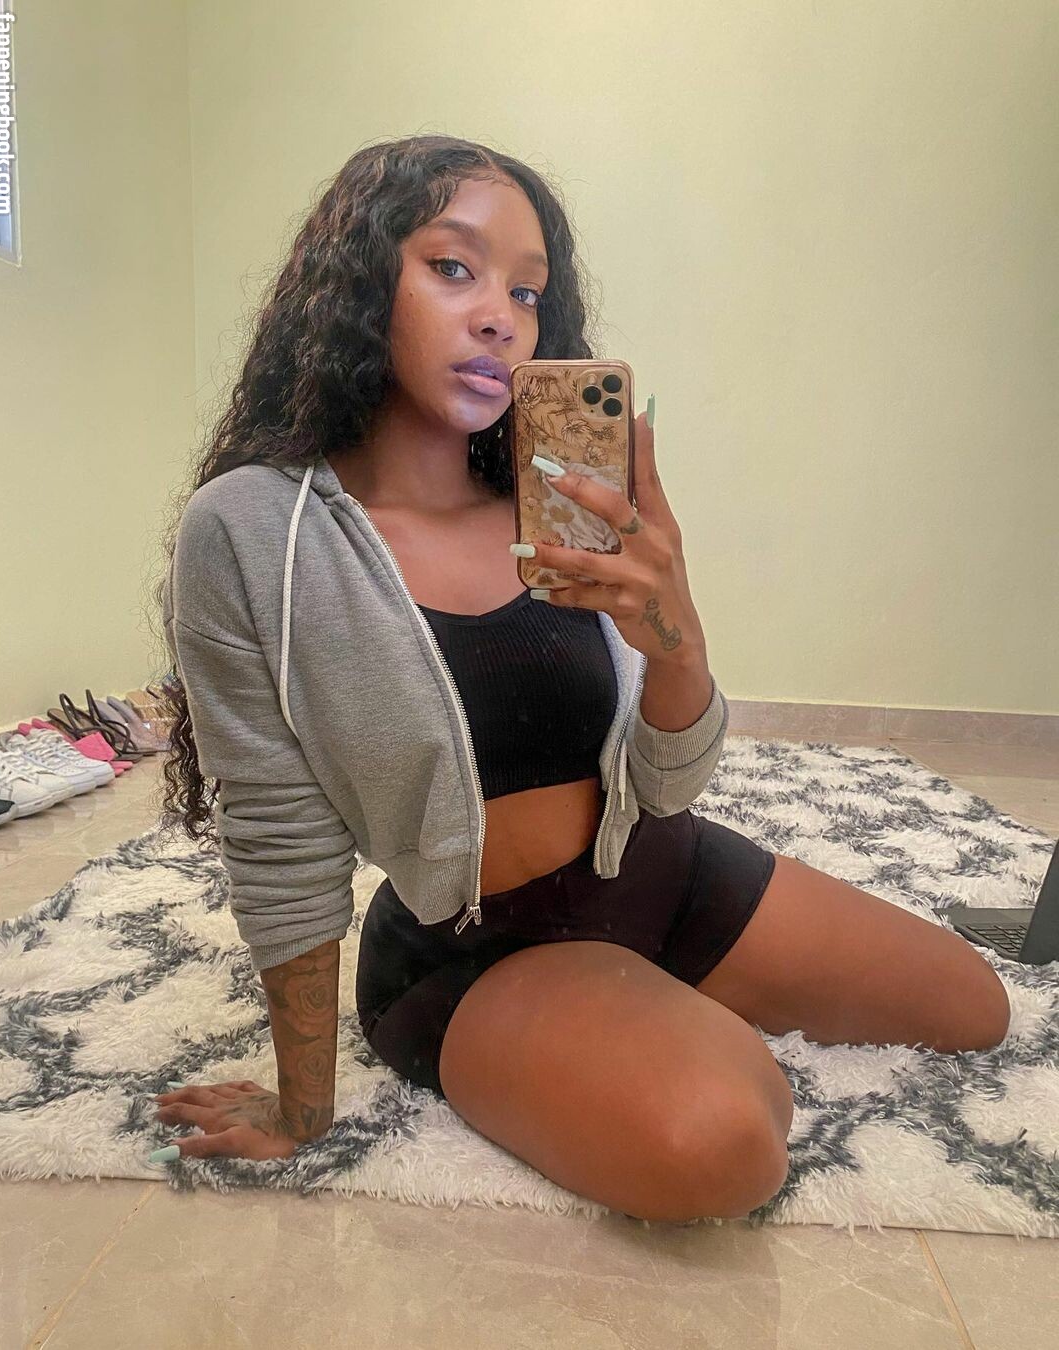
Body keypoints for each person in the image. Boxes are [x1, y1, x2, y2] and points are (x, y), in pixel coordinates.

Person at [151, 134, 1010, 1223]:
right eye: (453, 267)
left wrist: (675, 636)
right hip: (481, 947)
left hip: (659, 868)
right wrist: (302, 1104)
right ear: (358, 279)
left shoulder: (557, 506)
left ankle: (635, 1009)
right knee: (726, 1140)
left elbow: (671, 781)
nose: (500, 317)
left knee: (974, 1008)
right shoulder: (256, 531)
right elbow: (280, 833)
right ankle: (616, 1026)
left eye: (527, 290)